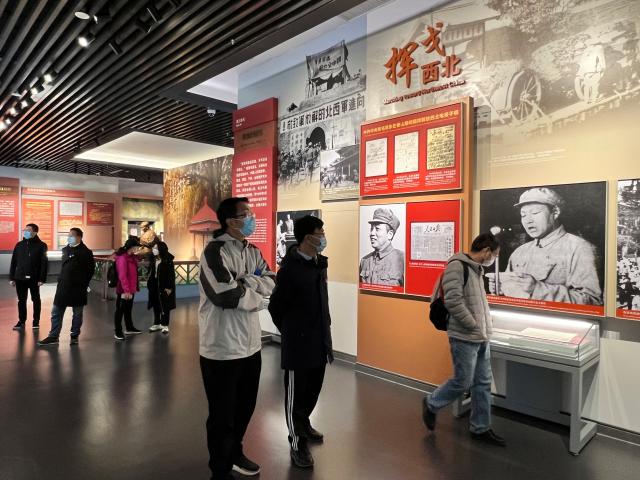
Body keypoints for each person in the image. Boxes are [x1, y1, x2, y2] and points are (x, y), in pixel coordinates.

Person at [198, 197, 275, 480]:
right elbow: (225, 295)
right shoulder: (214, 251)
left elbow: (271, 279)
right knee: (222, 414)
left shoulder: (252, 250)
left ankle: (234, 453)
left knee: (245, 407)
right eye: (247, 214)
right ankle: (219, 469)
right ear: (231, 221)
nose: (252, 218)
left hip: (251, 346)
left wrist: (246, 281)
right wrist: (256, 296)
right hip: (222, 348)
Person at [423, 233, 505, 446]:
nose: (494, 259)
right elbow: (453, 301)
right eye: (495, 255)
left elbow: (477, 302)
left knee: (483, 383)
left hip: (481, 336)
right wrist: (473, 324)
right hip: (464, 336)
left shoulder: (476, 270)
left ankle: (480, 428)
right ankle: (431, 403)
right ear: (486, 251)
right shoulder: (457, 267)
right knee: (463, 381)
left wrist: (484, 326)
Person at [268, 215, 334, 469]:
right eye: (320, 233)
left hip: (319, 340)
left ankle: (304, 424)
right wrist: (292, 332)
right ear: (308, 238)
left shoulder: (319, 264)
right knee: (296, 396)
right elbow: (276, 307)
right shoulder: (290, 270)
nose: (323, 237)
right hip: (298, 345)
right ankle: (297, 443)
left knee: (313, 390)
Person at [487, 187, 602, 305]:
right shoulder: (520, 252)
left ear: (555, 212)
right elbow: (513, 297)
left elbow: (593, 301)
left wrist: (537, 289)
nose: (528, 220)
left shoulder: (580, 248)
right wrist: (502, 290)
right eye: (523, 215)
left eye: (535, 213)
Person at [38, 228, 95, 346]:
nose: (69, 237)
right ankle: (53, 336)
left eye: (72, 235)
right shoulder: (65, 250)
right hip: (63, 286)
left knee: (77, 314)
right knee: (56, 312)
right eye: (68, 235)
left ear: (79, 237)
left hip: (78, 288)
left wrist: (83, 283)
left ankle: (74, 335)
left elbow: (90, 271)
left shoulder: (86, 252)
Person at [9, 223, 48, 330]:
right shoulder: (19, 245)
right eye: (25, 230)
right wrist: (12, 277)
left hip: (34, 278)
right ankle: (21, 321)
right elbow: (14, 262)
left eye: (28, 230)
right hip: (20, 278)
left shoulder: (41, 245)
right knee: (21, 300)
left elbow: (44, 263)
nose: (25, 232)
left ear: (35, 232)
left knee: (36, 299)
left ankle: (36, 321)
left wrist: (42, 278)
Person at [359, 208, 405, 286]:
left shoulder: (402, 259)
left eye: (377, 229)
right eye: (371, 229)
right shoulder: (364, 261)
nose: (372, 233)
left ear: (390, 234)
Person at [113, 238, 143, 340]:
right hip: (124, 289)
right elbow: (122, 276)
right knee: (120, 310)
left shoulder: (132, 257)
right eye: (137, 247)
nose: (138, 249)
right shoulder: (122, 258)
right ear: (131, 247)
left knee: (128, 309)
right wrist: (126, 290)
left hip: (131, 289)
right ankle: (118, 331)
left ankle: (129, 328)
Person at [147, 241, 176, 334]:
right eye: (153, 248)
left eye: (155, 248)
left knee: (165, 305)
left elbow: (171, 275)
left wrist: (169, 287)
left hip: (164, 286)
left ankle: (165, 324)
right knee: (156, 304)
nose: (153, 250)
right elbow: (151, 272)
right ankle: (157, 323)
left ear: (161, 249)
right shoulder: (153, 259)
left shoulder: (167, 260)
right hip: (154, 285)